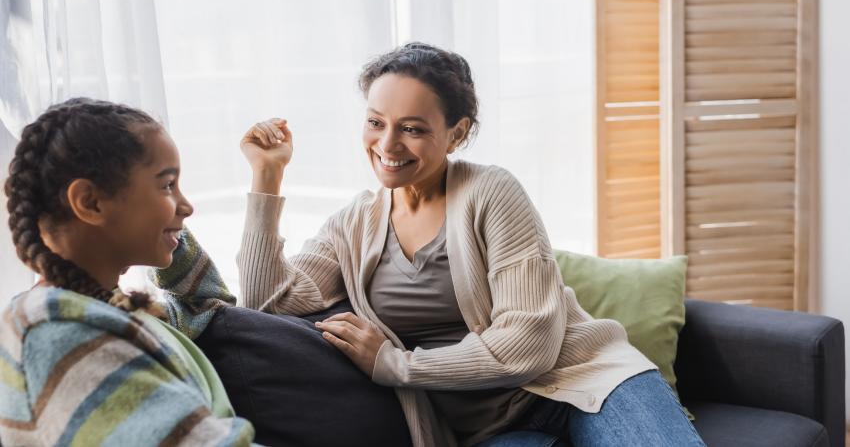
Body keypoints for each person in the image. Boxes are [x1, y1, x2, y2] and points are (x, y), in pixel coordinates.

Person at [235, 42, 706, 447]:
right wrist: (267, 175)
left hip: (589, 383)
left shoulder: (491, 192)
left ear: (456, 133)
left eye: (413, 128)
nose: (388, 144)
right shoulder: (353, 226)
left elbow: (528, 344)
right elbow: (264, 305)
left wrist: (396, 365)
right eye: (376, 122)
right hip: (490, 430)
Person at [0, 98, 256, 446]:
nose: (188, 205)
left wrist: (169, 232)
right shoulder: (57, 333)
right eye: (167, 185)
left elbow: (208, 307)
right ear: (91, 203)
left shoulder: (111, 306)